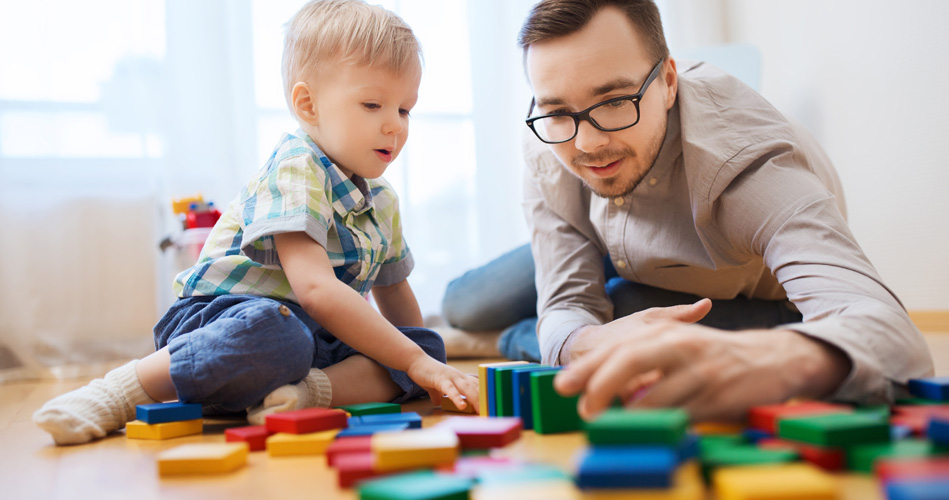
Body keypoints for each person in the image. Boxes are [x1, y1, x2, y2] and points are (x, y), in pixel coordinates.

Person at [444, 0, 933, 423]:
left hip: (735, 290)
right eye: (557, 111)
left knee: (629, 309)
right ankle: (526, 333)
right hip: (607, 244)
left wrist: (791, 359)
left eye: (614, 102)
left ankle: (518, 338)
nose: (587, 143)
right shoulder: (550, 140)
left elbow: (895, 337)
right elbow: (570, 300)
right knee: (465, 306)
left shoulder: (750, 165)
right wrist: (579, 343)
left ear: (668, 82)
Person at [33, 0, 478, 446]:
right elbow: (316, 291)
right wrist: (414, 364)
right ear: (308, 105)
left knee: (424, 344)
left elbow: (395, 292)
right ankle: (121, 389)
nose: (393, 127)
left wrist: (424, 363)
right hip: (224, 324)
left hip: (312, 344)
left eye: (404, 110)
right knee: (280, 332)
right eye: (372, 104)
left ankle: (302, 396)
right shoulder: (296, 167)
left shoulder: (381, 200)